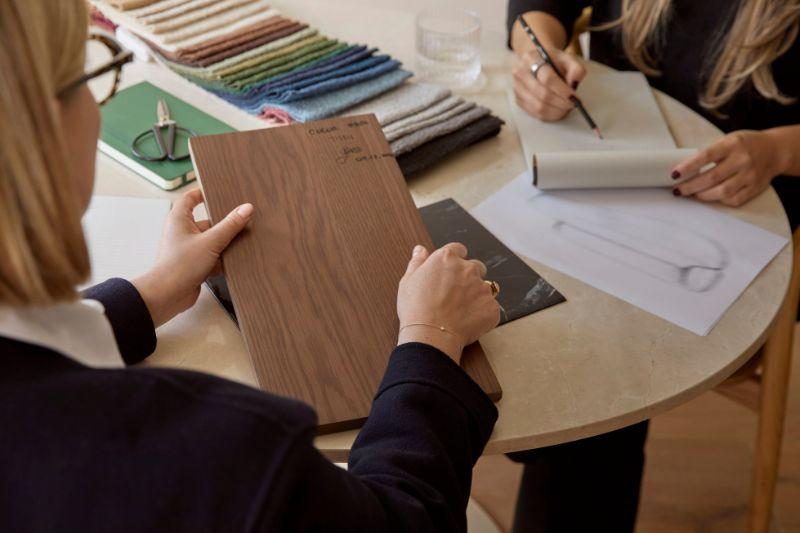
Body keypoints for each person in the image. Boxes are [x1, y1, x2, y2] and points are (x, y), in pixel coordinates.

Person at [0, 1, 501, 531]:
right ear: (45, 130)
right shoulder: (221, 452)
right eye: (91, 74)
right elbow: (406, 519)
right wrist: (431, 339)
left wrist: (151, 294)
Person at [505, 1, 800, 531]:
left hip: (745, 220)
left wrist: (780, 150)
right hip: (614, 182)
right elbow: (538, 8)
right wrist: (537, 55)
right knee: (482, 285)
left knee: (595, 366)